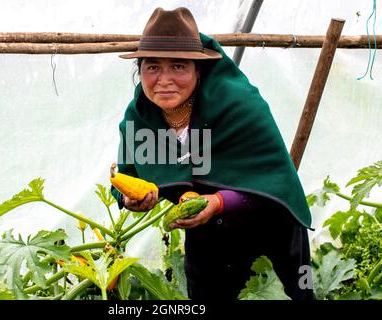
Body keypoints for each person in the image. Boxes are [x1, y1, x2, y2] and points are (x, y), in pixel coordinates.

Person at [111, 7, 313, 300]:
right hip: (206, 241)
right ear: (140, 70)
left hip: (269, 233)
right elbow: (126, 177)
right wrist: (130, 198)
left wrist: (218, 202)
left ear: (199, 69)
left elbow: (274, 180)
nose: (164, 79)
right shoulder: (140, 117)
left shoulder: (239, 104)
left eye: (178, 66)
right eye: (152, 66)